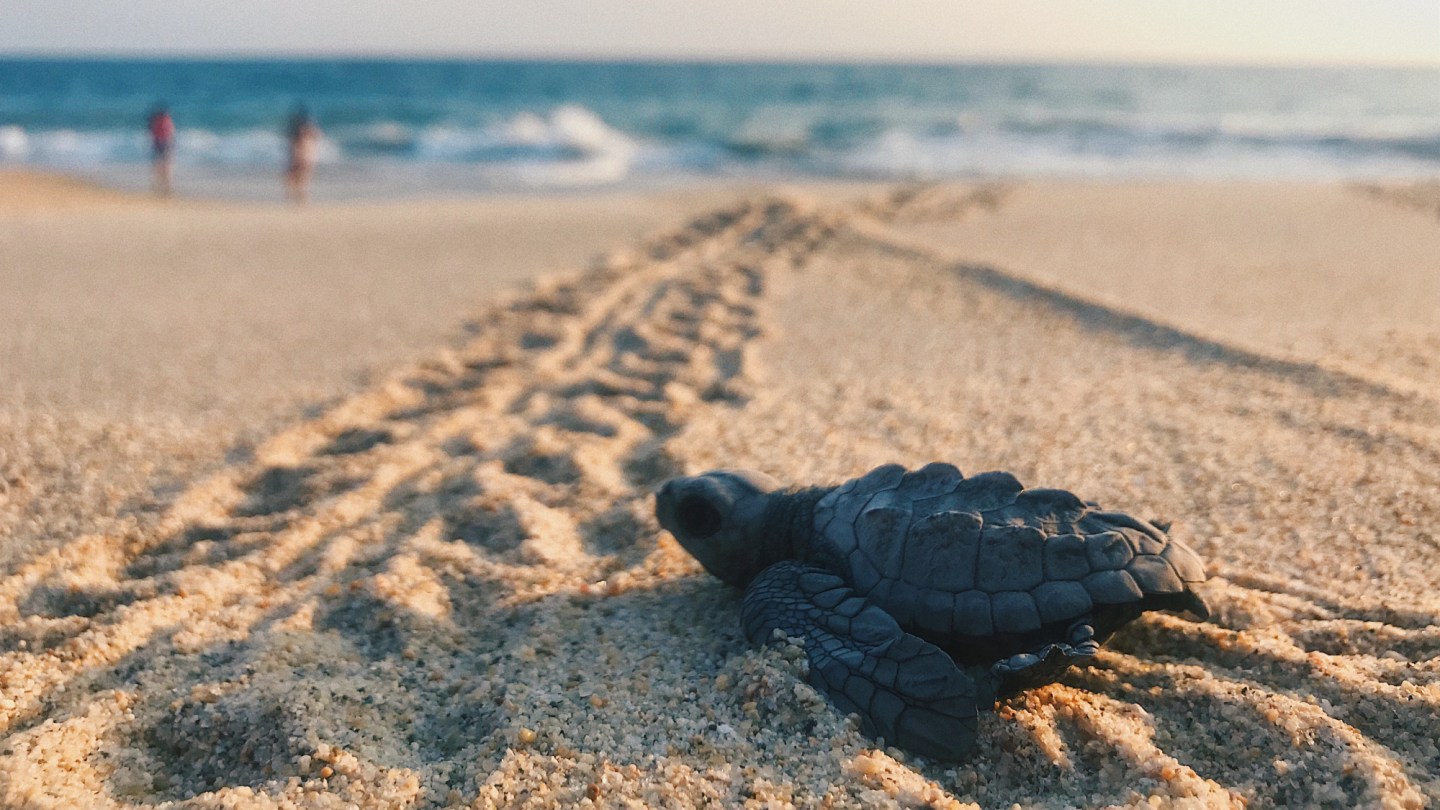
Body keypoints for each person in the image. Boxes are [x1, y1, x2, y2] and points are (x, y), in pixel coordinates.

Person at [285, 105, 321, 203]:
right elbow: (318, 136)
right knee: (303, 177)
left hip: (298, 155)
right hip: (307, 155)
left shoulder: (297, 130)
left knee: (296, 176)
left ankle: (296, 196)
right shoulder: (308, 129)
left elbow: (291, 143)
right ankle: (300, 196)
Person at [147, 104, 176, 197]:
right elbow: (171, 134)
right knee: (164, 166)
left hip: (160, 145)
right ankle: (165, 187)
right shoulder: (167, 121)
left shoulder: (157, 121)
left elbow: (152, 133)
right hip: (164, 145)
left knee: (160, 166)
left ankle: (161, 186)